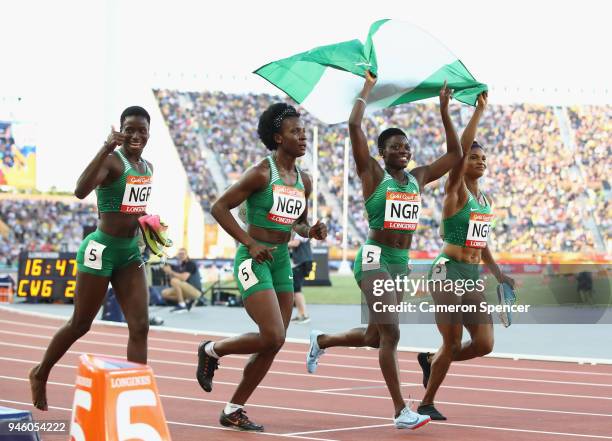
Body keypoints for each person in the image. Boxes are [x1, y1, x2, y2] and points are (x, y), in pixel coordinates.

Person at [307, 72, 462, 430]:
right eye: (395, 147)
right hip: (375, 258)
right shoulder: (373, 174)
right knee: (392, 334)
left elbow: (455, 154)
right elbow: (354, 125)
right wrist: (366, 88)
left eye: (406, 146)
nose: (403, 151)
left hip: (399, 263)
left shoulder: (419, 177)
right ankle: (399, 411)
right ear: (382, 153)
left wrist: (444, 110)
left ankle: (322, 339)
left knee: (373, 335)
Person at [195, 103, 327, 432]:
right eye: (295, 131)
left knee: (274, 342)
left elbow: (297, 223)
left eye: (303, 131)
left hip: (281, 259)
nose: (303, 136)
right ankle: (212, 350)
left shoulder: (304, 180)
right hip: (254, 258)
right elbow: (219, 207)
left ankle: (234, 408)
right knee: (273, 333)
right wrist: (249, 243)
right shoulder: (261, 172)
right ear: (277, 137)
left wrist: (310, 231)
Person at [29, 106, 154, 410]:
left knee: (140, 326)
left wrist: (151, 230)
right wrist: (105, 146)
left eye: (141, 130)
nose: (136, 135)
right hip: (101, 250)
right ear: (121, 131)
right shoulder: (113, 160)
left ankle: (135, 396)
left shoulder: (148, 167)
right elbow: (80, 190)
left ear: (149, 133)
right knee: (80, 324)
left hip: (129, 252)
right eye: (130, 129)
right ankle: (40, 372)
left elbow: (134, 209)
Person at [416, 92, 515, 421]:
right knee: (454, 340)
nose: (480, 162)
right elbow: (458, 152)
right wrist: (478, 112)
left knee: (485, 343)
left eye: (484, 159)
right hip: (447, 272)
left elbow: (481, 243)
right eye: (475, 158)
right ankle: (427, 401)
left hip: (473, 275)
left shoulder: (485, 200)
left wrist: (498, 273)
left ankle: (433, 359)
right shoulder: (455, 190)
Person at [161, 247, 202, 312]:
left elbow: (183, 278)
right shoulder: (181, 265)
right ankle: (186, 301)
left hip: (195, 291)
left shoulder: (191, 263)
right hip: (186, 289)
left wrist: (170, 271)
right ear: (177, 255)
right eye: (179, 254)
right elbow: (176, 278)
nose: (181, 255)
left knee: (174, 281)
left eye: (183, 254)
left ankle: (182, 304)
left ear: (187, 254)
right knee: (164, 293)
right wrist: (167, 270)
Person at [289, 234, 313, 323]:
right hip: (302, 262)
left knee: (297, 289)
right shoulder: (300, 230)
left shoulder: (300, 230)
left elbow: (295, 243)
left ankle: (304, 315)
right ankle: (300, 314)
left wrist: (282, 244)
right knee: (295, 289)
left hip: (302, 262)